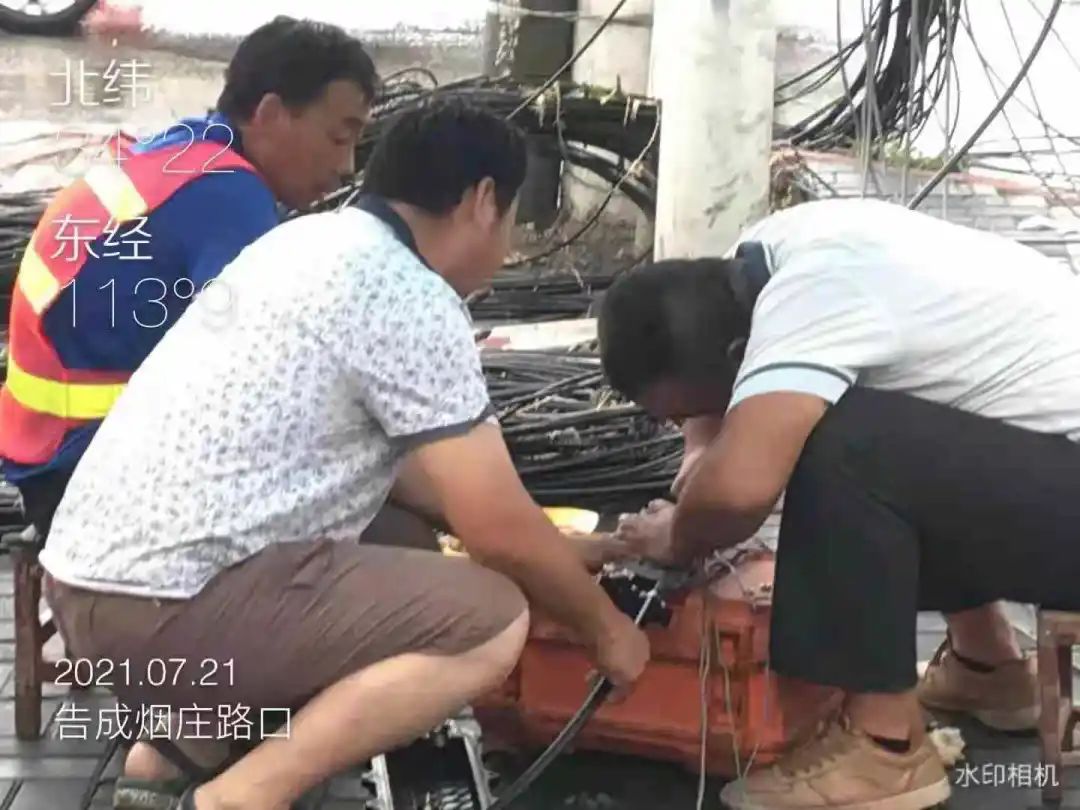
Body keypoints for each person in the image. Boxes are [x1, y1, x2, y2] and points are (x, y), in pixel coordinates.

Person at [39, 98, 650, 810]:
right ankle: (240, 798)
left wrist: (558, 552)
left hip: (88, 590)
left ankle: (166, 759)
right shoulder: (408, 294)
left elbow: (433, 487)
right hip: (165, 617)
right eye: (512, 219)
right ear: (484, 200)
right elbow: (494, 530)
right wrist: (607, 631)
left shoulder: (307, 242)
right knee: (489, 620)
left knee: (402, 539)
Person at [599, 196, 1080, 810]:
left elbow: (740, 493)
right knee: (888, 417)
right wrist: (699, 455)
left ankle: (884, 748)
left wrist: (676, 536)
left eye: (689, 411)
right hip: (1050, 467)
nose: (689, 424)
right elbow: (723, 415)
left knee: (836, 442)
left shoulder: (813, 299)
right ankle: (987, 668)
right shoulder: (761, 259)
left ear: (737, 355)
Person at [0, 15, 377, 536]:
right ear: (270, 113)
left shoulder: (183, 150)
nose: (347, 167)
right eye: (338, 138)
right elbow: (268, 374)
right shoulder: (229, 195)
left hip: (43, 449)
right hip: (89, 470)